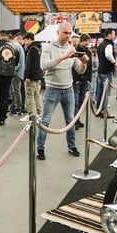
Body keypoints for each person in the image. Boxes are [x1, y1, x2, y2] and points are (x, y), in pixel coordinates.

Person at [36, 21, 88, 160]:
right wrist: (63, 57)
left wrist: (84, 62)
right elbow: (43, 65)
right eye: (65, 33)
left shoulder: (71, 48)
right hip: (53, 90)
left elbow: (79, 70)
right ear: (58, 32)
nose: (68, 36)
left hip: (68, 89)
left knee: (70, 120)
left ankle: (72, 146)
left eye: (70, 33)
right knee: (45, 121)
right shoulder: (48, 48)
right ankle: (40, 148)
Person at [95, 28, 116, 116]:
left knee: (100, 92)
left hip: (101, 70)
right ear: (109, 35)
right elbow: (108, 55)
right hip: (107, 71)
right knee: (106, 92)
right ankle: (104, 110)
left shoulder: (101, 44)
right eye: (113, 34)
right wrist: (114, 62)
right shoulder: (108, 44)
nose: (114, 36)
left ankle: (98, 109)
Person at [73, 33, 93, 128]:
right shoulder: (75, 51)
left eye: (88, 41)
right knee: (75, 102)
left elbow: (90, 65)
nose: (87, 43)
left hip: (85, 80)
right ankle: (74, 121)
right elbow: (73, 67)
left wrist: (89, 78)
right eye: (86, 41)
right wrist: (75, 79)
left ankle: (78, 119)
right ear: (82, 41)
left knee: (81, 102)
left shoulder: (88, 51)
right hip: (77, 80)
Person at [22, 32, 44, 118]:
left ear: (29, 39)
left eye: (26, 40)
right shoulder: (39, 48)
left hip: (31, 77)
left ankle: (30, 114)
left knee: (29, 95)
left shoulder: (32, 49)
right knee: (37, 95)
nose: (25, 42)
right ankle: (40, 112)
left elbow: (29, 64)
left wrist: (27, 76)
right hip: (38, 75)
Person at [8, 32, 26, 116]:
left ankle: (18, 108)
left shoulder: (15, 46)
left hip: (16, 73)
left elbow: (16, 62)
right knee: (16, 90)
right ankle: (16, 107)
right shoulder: (19, 46)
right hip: (19, 72)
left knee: (16, 91)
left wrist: (13, 70)